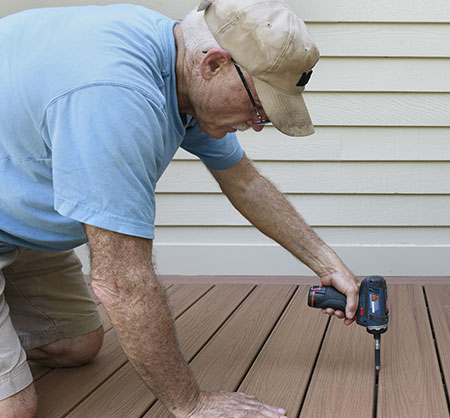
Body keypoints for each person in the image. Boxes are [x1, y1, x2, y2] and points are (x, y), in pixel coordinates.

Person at [0, 0, 360, 416]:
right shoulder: (117, 98)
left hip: (18, 220)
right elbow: (121, 283)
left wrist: (325, 261)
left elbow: (244, 181)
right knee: (14, 408)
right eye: (259, 107)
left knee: (74, 346)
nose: (258, 123)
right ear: (214, 65)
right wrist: (190, 404)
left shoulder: (180, 61)